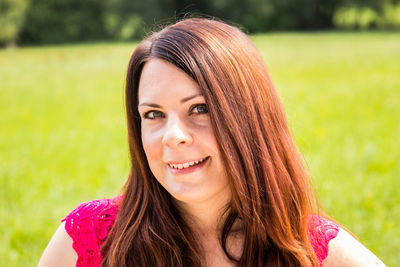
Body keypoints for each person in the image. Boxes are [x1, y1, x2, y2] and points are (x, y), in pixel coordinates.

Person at [38, 17, 386, 267]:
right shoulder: (88, 239)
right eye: (153, 115)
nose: (173, 136)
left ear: (249, 118)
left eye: (199, 109)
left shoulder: (314, 252)